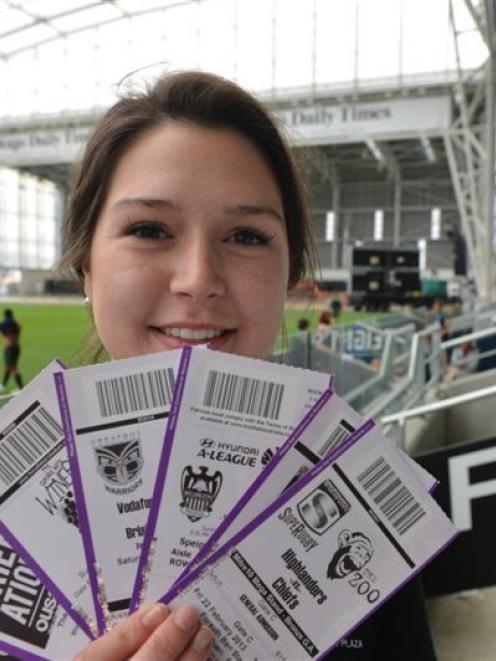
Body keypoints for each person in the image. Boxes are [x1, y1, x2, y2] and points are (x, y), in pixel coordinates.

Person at [60, 71, 436, 660]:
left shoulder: (362, 507)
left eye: (246, 235)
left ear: (289, 277)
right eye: (150, 229)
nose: (198, 280)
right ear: (86, 266)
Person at [0, 309, 23, 391]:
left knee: (13, 367)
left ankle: (21, 387)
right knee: (9, 366)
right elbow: (20, 328)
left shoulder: (5, 323)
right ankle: (3, 385)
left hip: (10, 348)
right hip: (16, 347)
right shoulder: (15, 323)